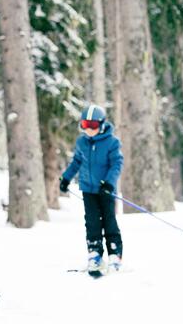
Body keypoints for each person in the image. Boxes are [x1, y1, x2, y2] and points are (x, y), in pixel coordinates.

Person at [59, 104, 124, 276]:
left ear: (102, 124)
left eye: (92, 126)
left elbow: (116, 164)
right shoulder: (82, 142)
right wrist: (66, 178)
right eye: (84, 125)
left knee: (109, 220)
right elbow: (76, 162)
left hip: (105, 190)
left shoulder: (112, 142)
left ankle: (114, 255)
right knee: (92, 222)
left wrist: (109, 183)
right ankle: (95, 254)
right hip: (88, 189)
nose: (88, 129)